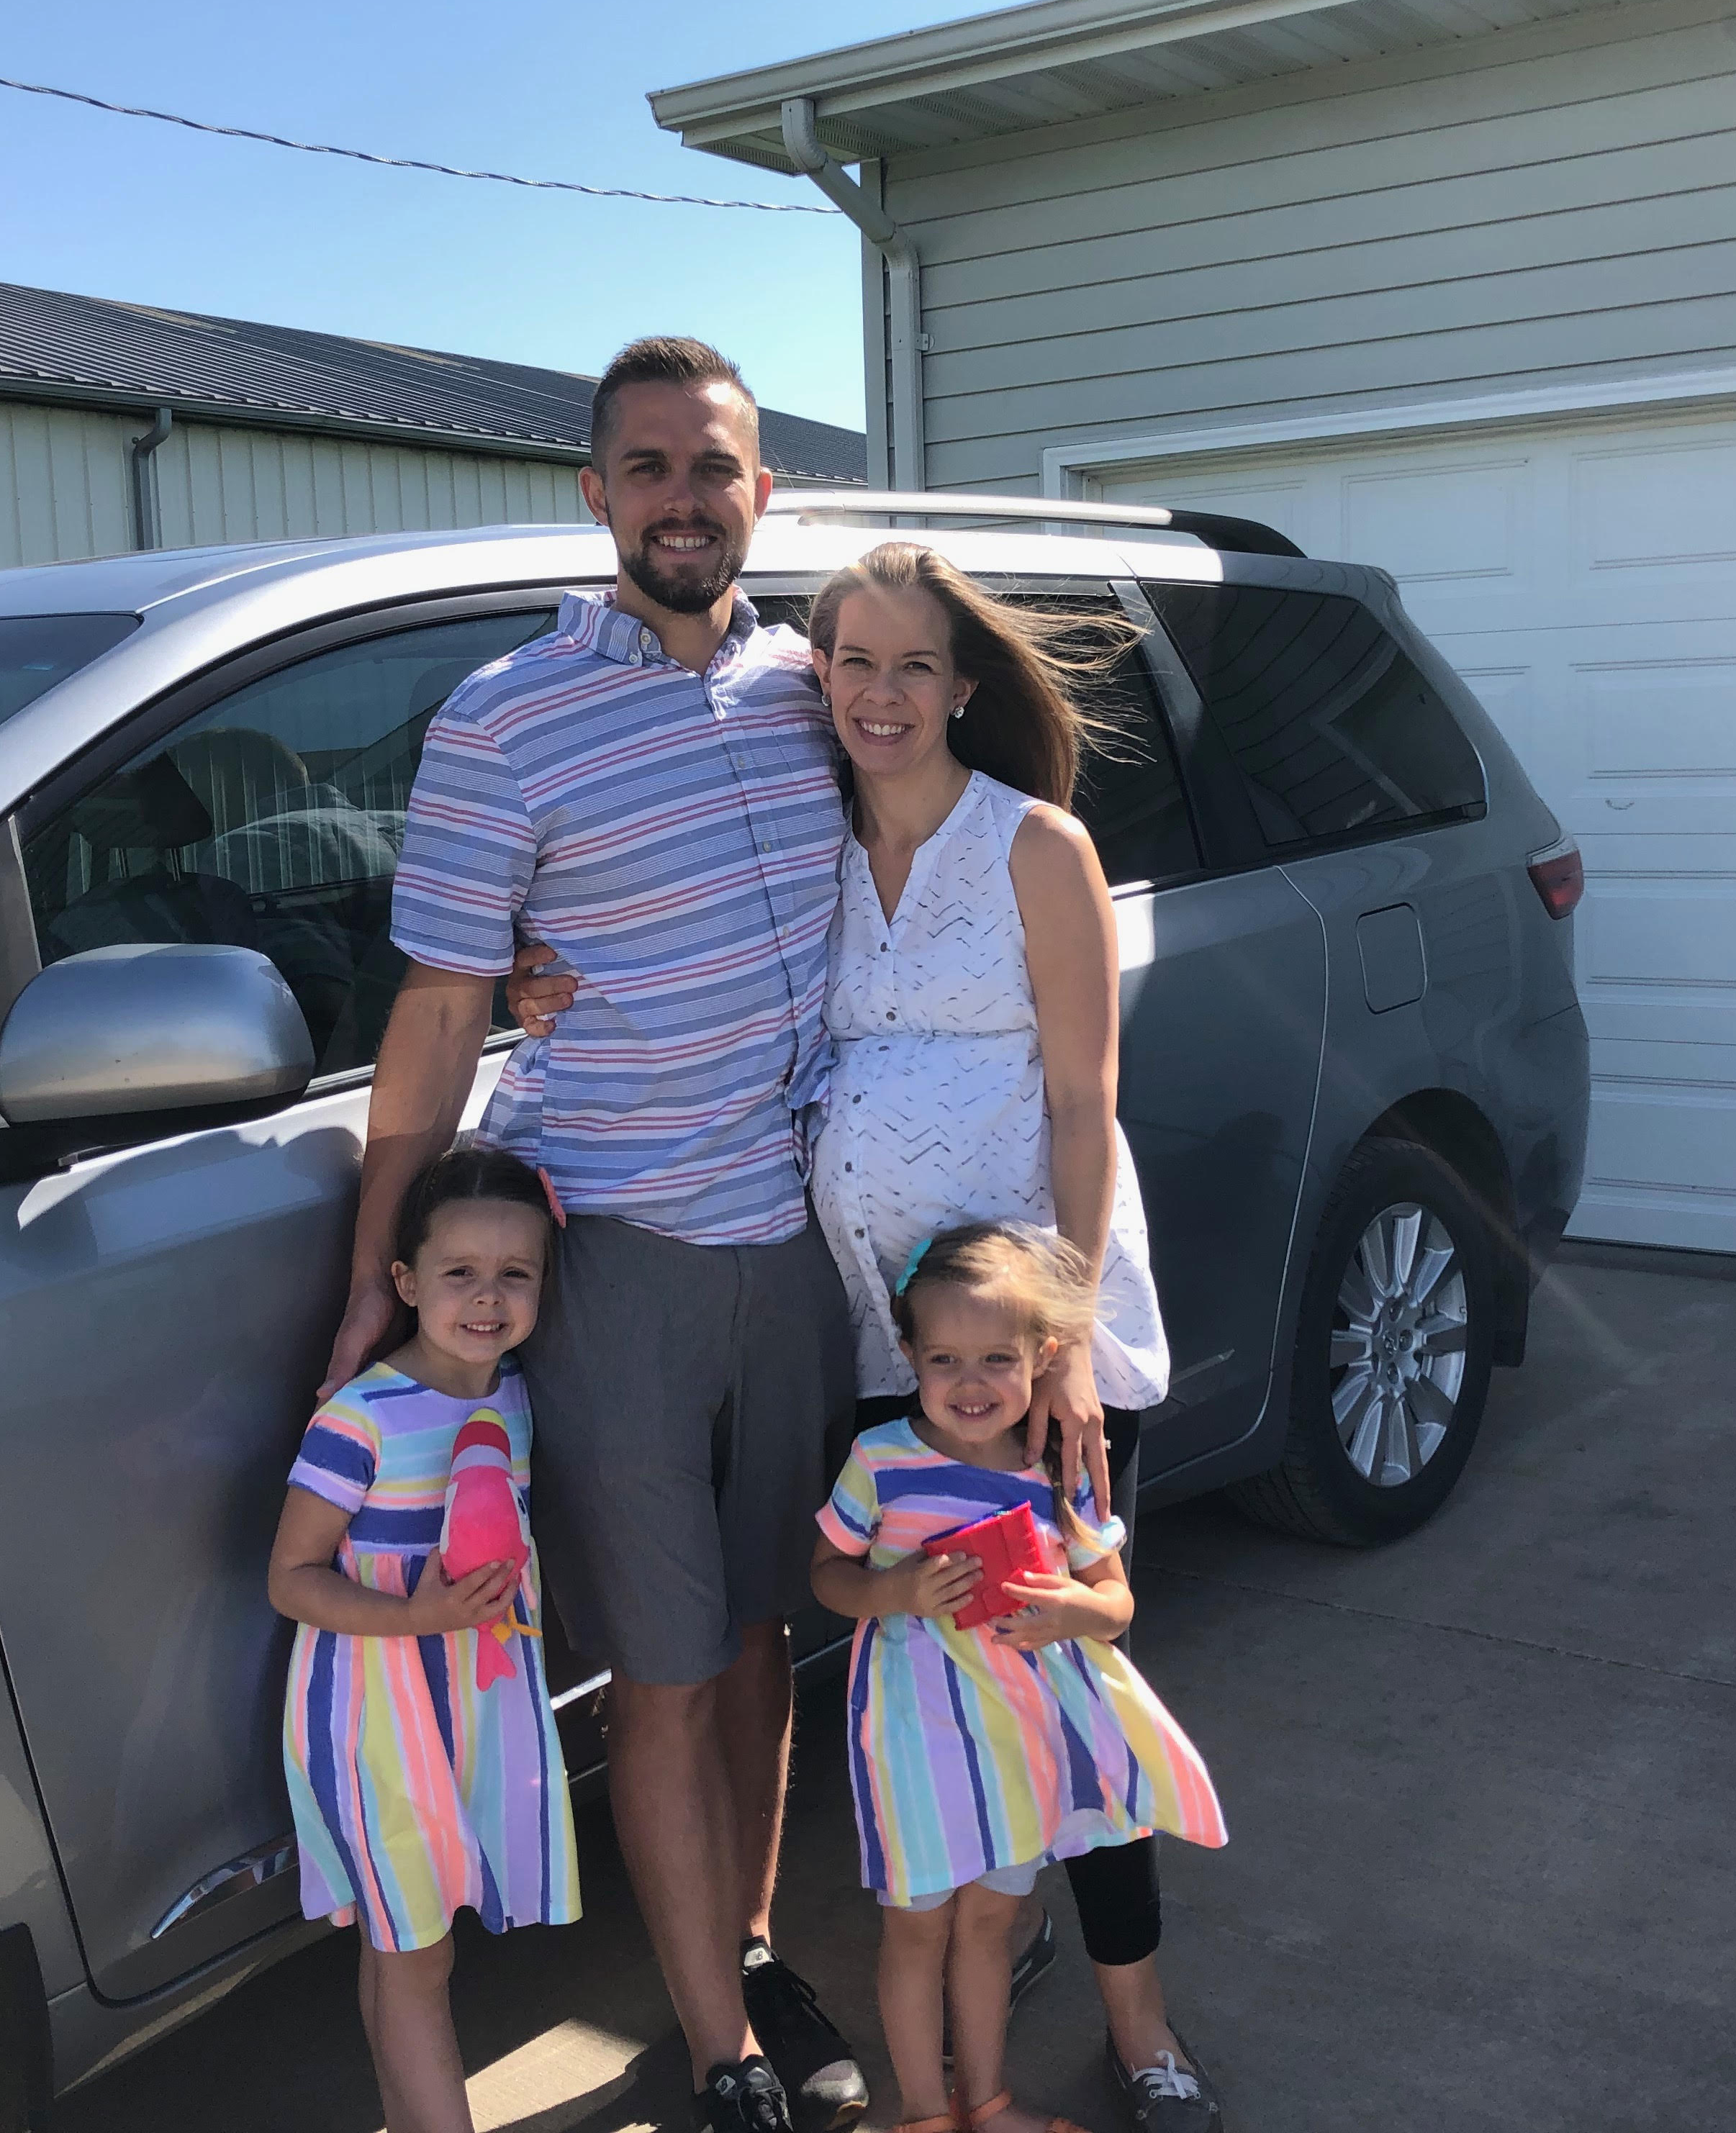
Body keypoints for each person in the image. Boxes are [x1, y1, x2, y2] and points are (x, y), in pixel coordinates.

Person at [517, 538, 1235, 2132]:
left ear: (965, 684)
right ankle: (991, 1932)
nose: (880, 693)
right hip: (875, 1351)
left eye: (915, 665)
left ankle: (1144, 2032)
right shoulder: (809, 842)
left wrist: (1057, 1340)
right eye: (852, 662)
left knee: (1067, 1685)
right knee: (937, 1675)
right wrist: (540, 973)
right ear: (815, 677)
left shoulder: (1031, 847)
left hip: (1029, 1351)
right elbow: (660, 945)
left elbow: (1079, 1096)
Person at [321, 336, 864, 2133]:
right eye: (646, 469)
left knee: (770, 1640)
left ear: (762, 491)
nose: (683, 500)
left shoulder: (816, 691)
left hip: (796, 1248)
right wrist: (369, 1279)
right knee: (668, 1668)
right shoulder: (505, 716)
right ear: (596, 497)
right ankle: (719, 2049)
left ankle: (763, 1948)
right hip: (617, 1249)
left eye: (713, 467)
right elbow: (441, 1000)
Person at [810, 1226, 1225, 2133]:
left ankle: (987, 2101)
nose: (969, 1383)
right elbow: (826, 1577)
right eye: (946, 1358)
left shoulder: (1054, 1473)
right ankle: (925, 2111)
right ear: (908, 1355)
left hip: (1017, 1745)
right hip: (913, 1741)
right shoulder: (881, 1462)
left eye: (998, 1358)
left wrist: (1070, 1611)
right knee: (917, 1929)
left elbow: (1114, 1602)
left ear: (1043, 1360)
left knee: (991, 1927)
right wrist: (895, 1590)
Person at [270, 1145, 578, 2133]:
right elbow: (290, 1579)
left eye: (514, 1275)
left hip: (473, 1708)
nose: (487, 1298)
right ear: (406, 1282)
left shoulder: (516, 1397)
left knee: (404, 1945)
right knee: (418, 1953)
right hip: (376, 1722)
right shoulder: (359, 1419)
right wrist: (414, 1616)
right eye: (459, 1274)